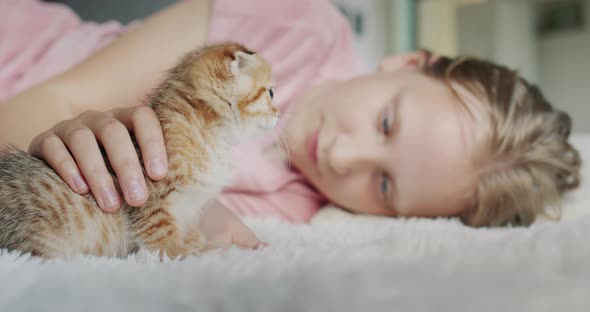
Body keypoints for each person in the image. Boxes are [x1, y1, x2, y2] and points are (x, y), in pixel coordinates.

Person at [0, 0, 581, 248]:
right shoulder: (295, 24)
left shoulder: (299, 214)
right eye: (385, 123)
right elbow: (59, 94)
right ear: (406, 62)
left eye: (383, 186)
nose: (343, 157)